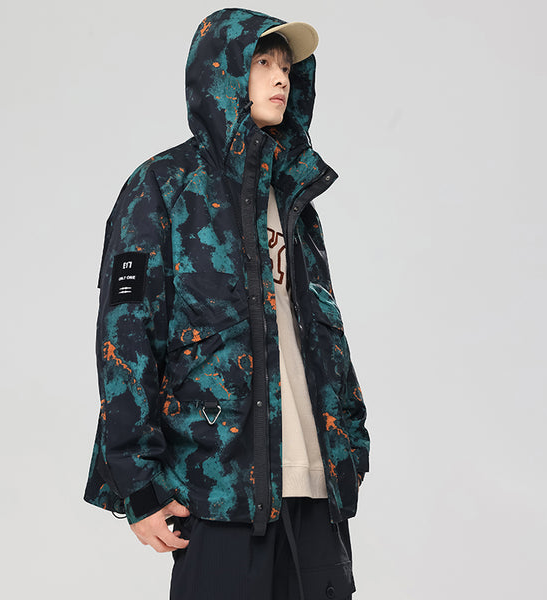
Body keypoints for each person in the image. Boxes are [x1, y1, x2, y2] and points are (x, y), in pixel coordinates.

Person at [83, 8, 370, 599]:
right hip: (221, 496)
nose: (280, 77)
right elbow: (125, 336)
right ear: (222, 73)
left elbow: (323, 337)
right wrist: (136, 484)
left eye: (286, 66)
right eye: (262, 62)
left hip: (317, 493)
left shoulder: (295, 202)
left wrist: (352, 444)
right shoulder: (163, 187)